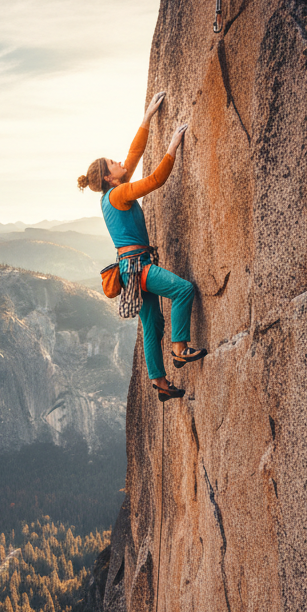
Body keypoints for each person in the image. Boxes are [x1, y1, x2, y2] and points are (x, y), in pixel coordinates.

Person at [77, 91, 206, 401]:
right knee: (183, 289)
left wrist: (146, 119)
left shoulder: (112, 194)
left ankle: (160, 384)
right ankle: (180, 348)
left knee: (152, 324)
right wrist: (173, 146)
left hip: (130, 270)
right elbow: (154, 181)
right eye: (113, 162)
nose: (121, 161)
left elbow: (133, 155)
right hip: (139, 267)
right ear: (109, 177)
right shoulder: (119, 194)